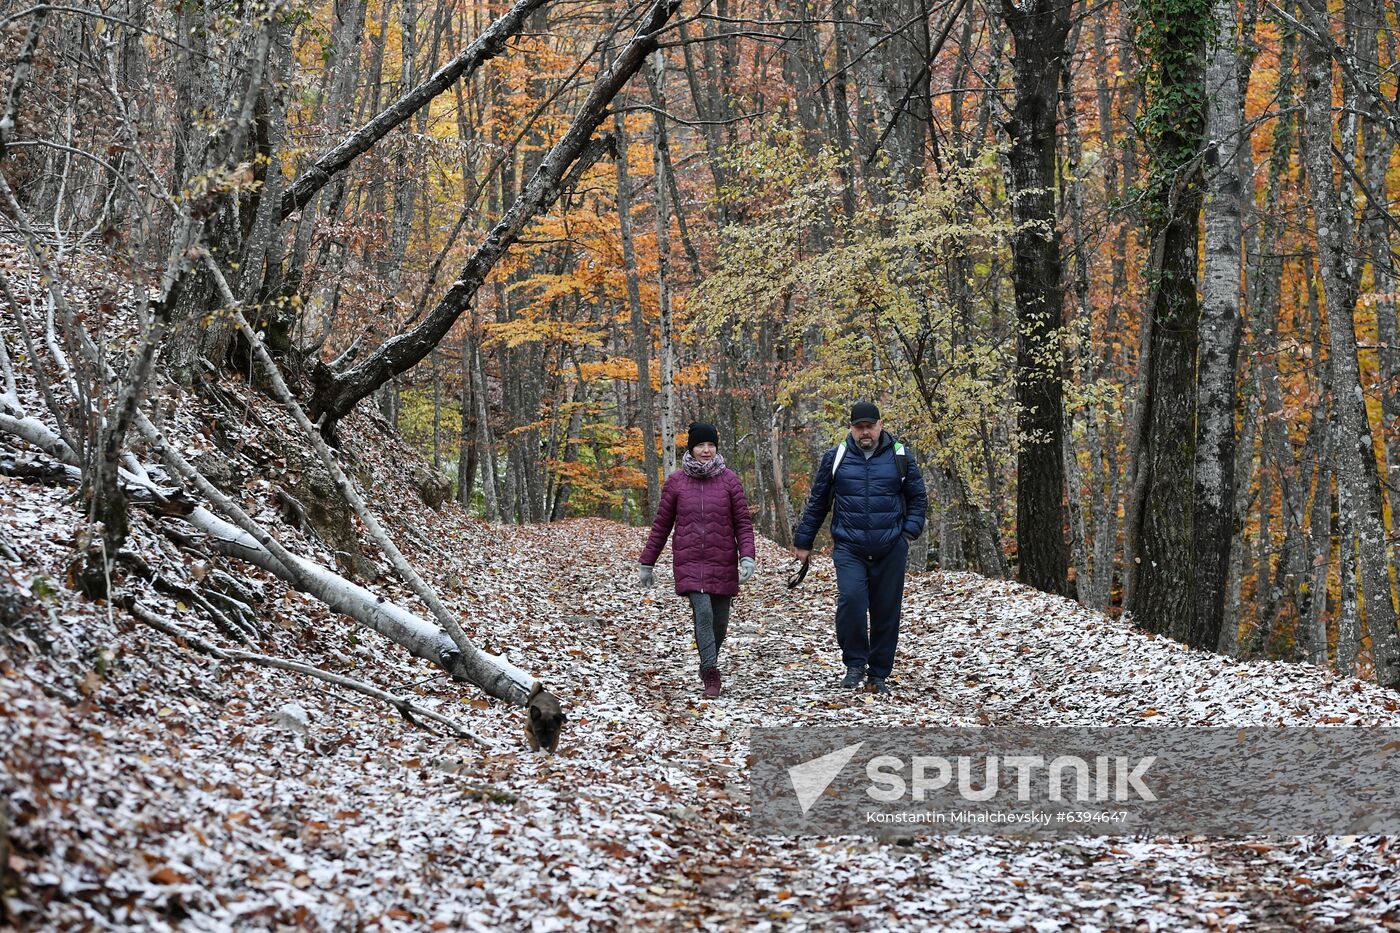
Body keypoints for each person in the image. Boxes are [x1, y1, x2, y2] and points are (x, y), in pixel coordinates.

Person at [792, 402, 927, 694]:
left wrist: (907, 535)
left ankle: (878, 674)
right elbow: (818, 502)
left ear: (880, 425)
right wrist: (804, 541)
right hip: (849, 546)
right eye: (859, 427)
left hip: (890, 546)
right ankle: (855, 664)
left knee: (886, 611)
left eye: (870, 426)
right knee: (851, 602)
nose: (865, 432)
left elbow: (918, 499)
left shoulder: (900, 456)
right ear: (851, 428)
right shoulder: (836, 457)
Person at [638, 422, 757, 698]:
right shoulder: (677, 482)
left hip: (723, 559)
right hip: (689, 561)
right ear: (691, 448)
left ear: (716, 448)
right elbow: (661, 526)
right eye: (700, 445)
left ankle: (708, 657)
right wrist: (648, 562)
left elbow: (743, 523)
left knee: (720, 622)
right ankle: (710, 672)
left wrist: (747, 557)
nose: (706, 450)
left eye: (710, 445)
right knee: (703, 613)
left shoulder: (729, 480)